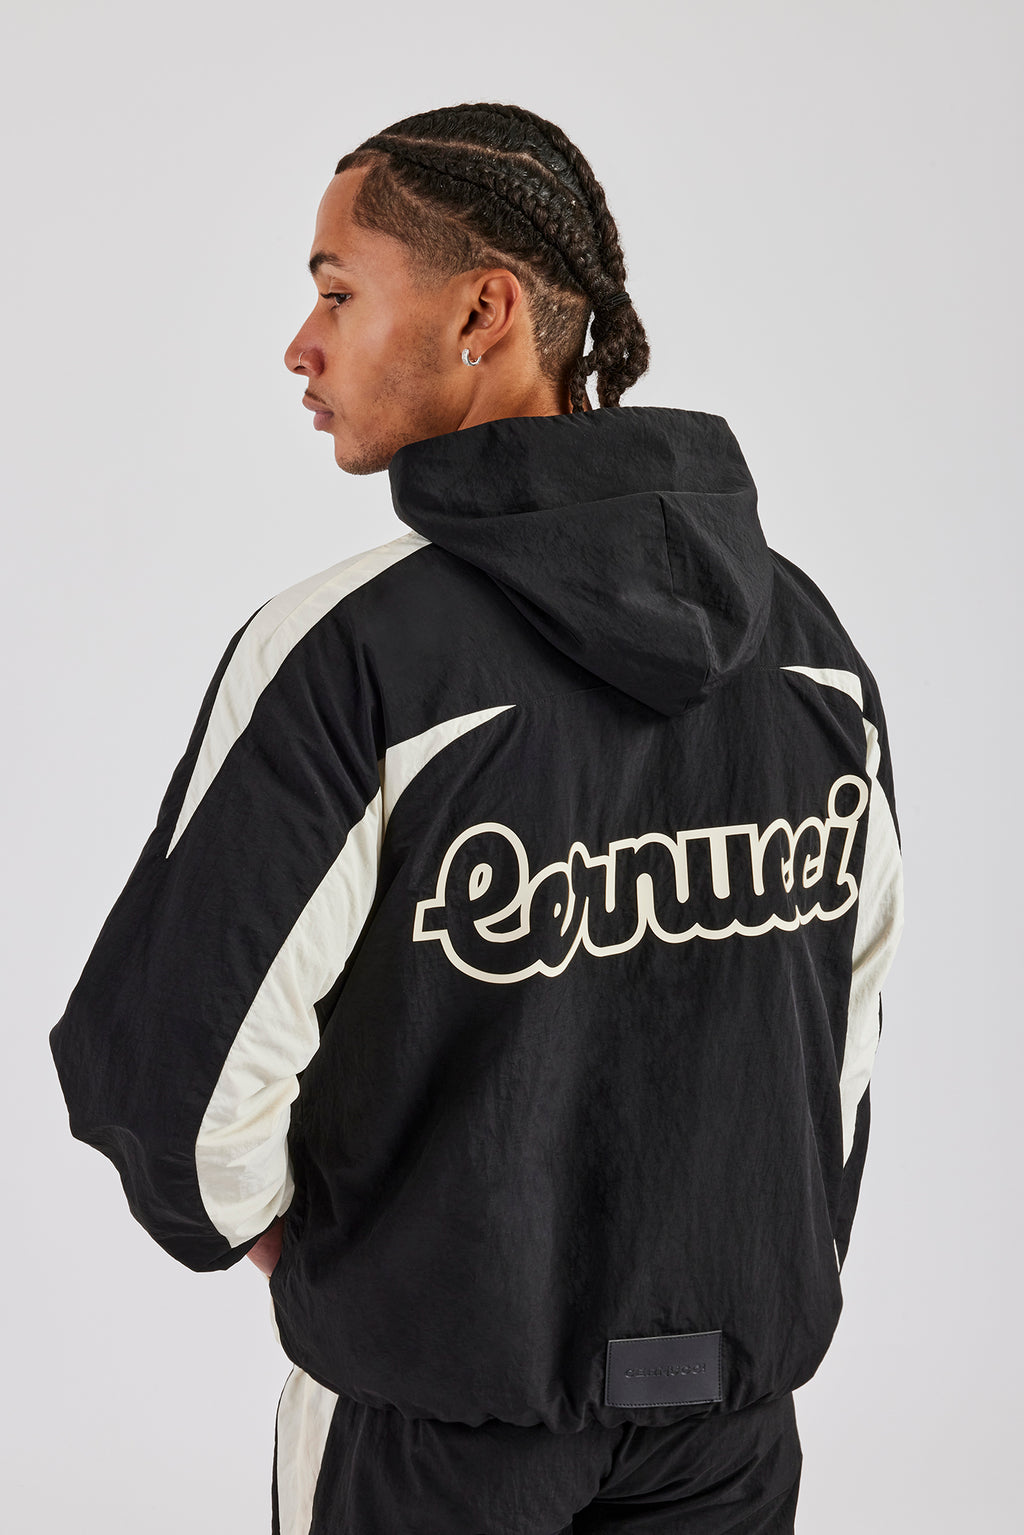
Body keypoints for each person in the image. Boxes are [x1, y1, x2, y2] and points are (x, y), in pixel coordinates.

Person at [49, 101, 905, 1535]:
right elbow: (848, 1029)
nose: (300, 345)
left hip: (435, 1429)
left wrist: (300, 1246)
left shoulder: (352, 655)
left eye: (336, 291)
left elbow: (172, 1075)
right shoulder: (807, 640)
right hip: (733, 1430)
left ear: (483, 313)